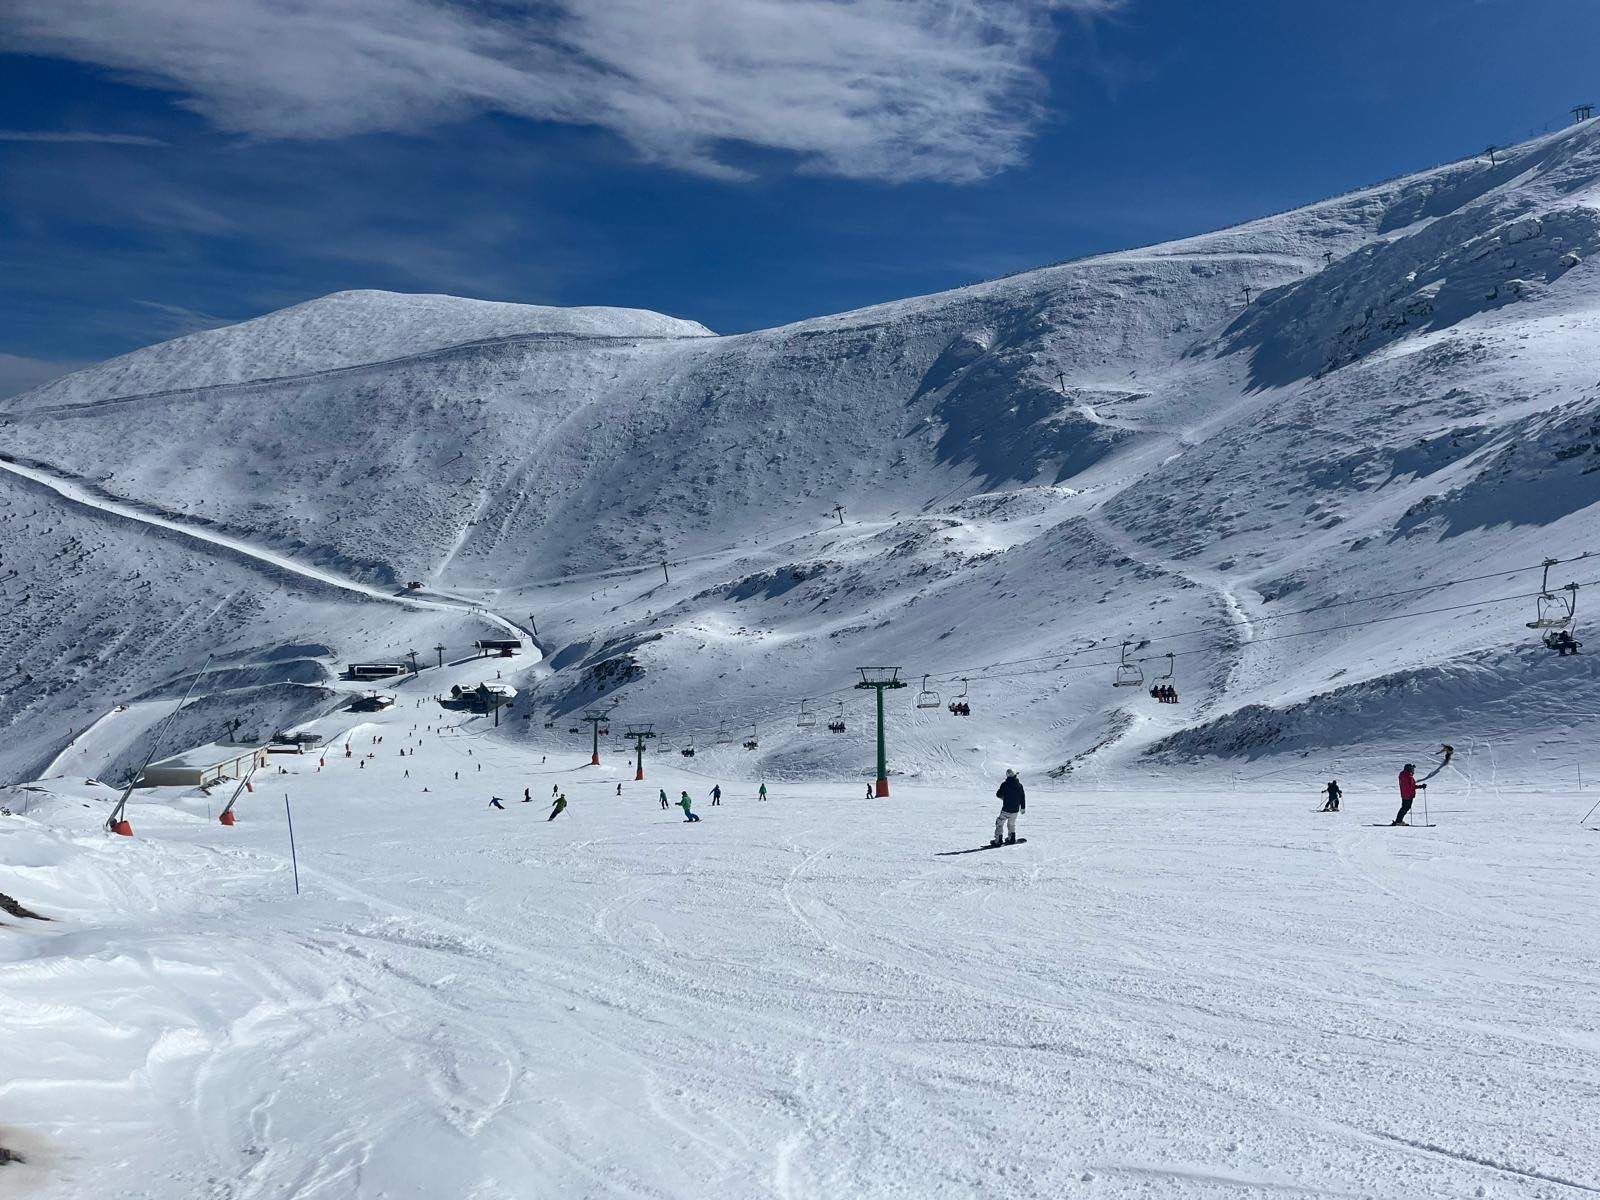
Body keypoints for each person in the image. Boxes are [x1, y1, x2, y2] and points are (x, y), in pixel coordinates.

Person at [992, 769, 1025, 846]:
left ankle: (998, 840)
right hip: (1015, 810)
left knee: (999, 823)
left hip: (1006, 809)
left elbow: (998, 794)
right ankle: (1011, 838)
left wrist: (1004, 798)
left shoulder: (1004, 784)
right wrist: (1023, 808)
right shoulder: (1019, 785)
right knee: (1011, 824)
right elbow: (1022, 797)